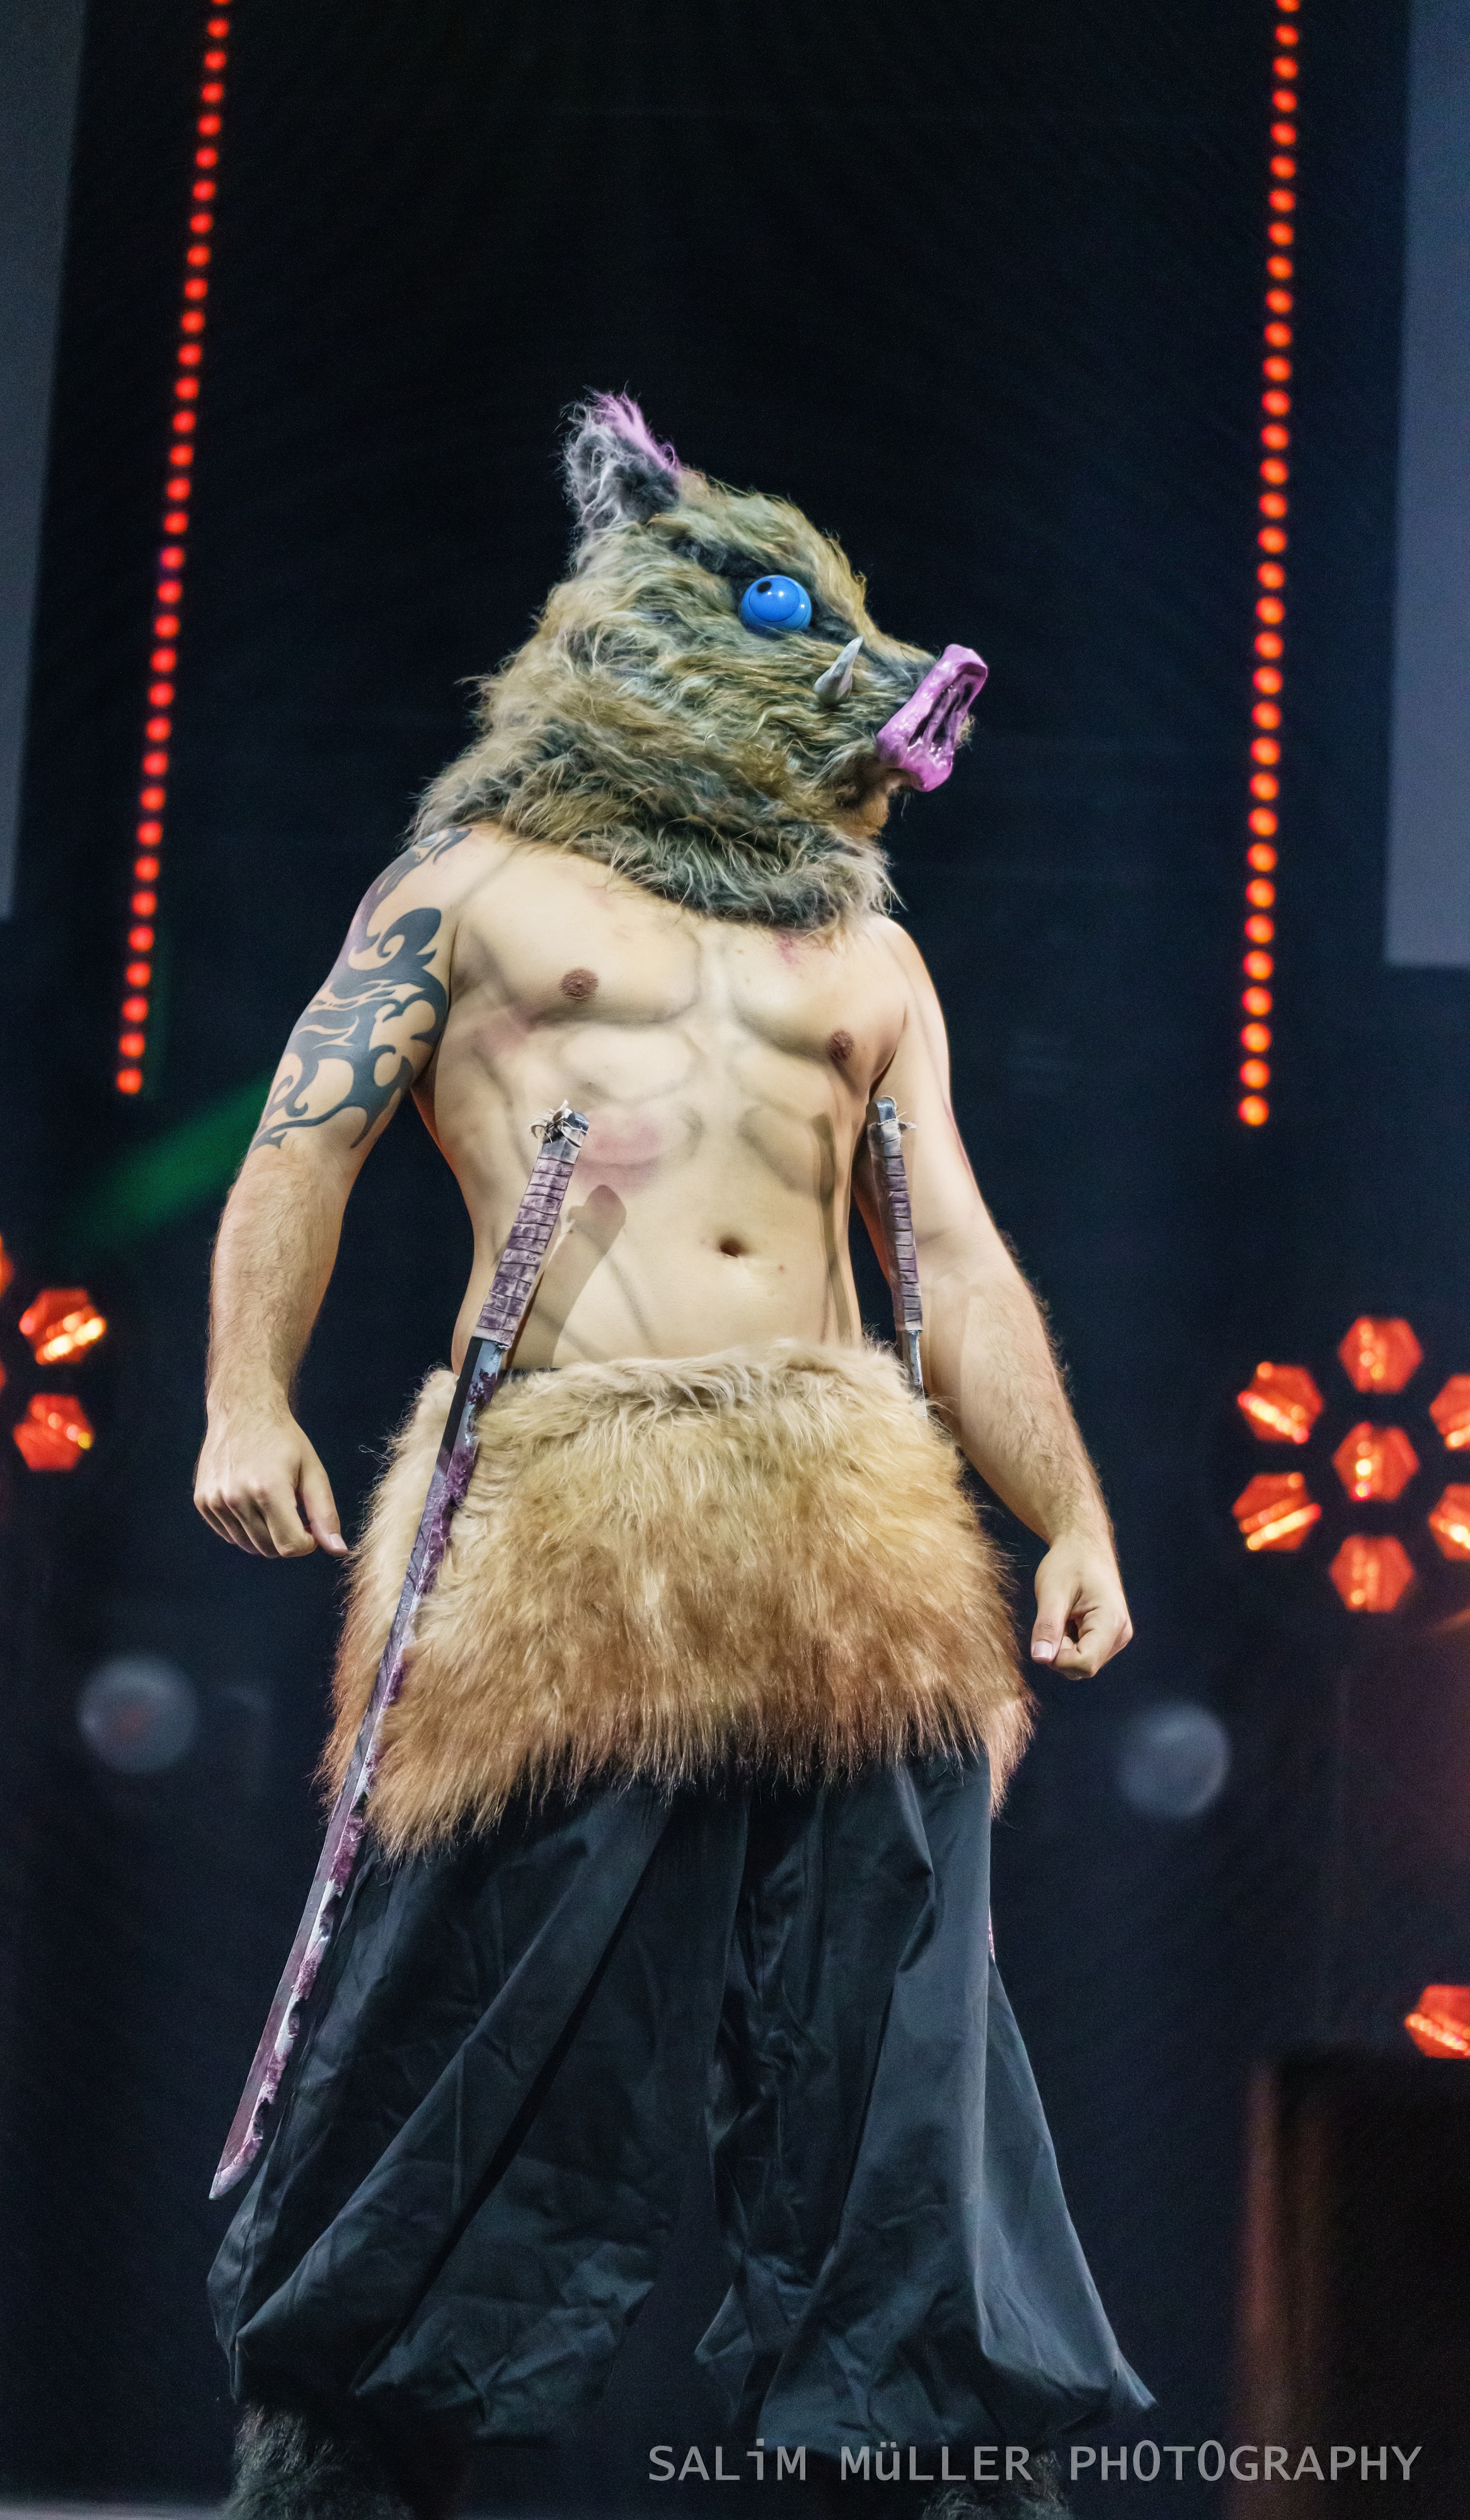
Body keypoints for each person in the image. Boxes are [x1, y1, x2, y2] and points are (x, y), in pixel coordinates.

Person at [195, 396, 1151, 2520]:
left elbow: (952, 1252)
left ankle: (926, 2475)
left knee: (896, 2069)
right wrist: (245, 1397)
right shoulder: (475, 889)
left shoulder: (865, 953)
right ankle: (342, 2471)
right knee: (466, 2035)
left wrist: (1068, 1512)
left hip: (845, 1530)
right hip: (572, 1519)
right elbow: (305, 1134)